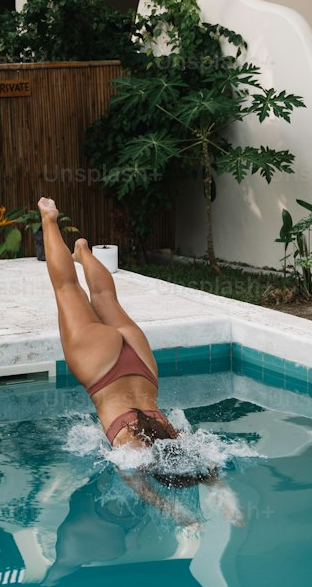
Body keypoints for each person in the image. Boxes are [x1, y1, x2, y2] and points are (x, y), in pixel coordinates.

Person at [37, 197, 209, 492]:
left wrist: (220, 492)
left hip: (141, 365)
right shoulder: (134, 452)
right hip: (100, 370)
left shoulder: (174, 435)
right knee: (67, 288)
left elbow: (209, 471)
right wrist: (178, 516)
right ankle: (49, 220)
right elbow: (141, 488)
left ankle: (83, 251)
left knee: (105, 297)